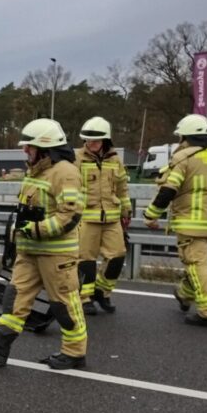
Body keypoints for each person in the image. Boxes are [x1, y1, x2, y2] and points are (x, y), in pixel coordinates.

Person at [0, 118, 88, 369]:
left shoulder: (65, 173)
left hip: (56, 256)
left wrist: (34, 230)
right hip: (30, 251)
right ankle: (0, 345)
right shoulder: (36, 172)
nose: (25, 151)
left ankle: (75, 352)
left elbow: (69, 216)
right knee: (14, 299)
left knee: (64, 304)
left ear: (45, 149)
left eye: (29, 147)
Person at [143, 114, 207, 327]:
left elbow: (168, 189)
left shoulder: (183, 159)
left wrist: (151, 215)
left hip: (191, 224)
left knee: (197, 266)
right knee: (200, 264)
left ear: (184, 138)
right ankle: (185, 294)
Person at [75, 116, 131, 314]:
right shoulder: (77, 159)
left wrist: (126, 210)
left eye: (96, 141)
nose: (91, 144)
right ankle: (85, 298)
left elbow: (122, 188)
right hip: (86, 218)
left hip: (112, 218)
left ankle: (102, 291)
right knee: (85, 260)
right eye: (88, 141)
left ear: (106, 140)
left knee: (117, 256)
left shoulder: (115, 160)